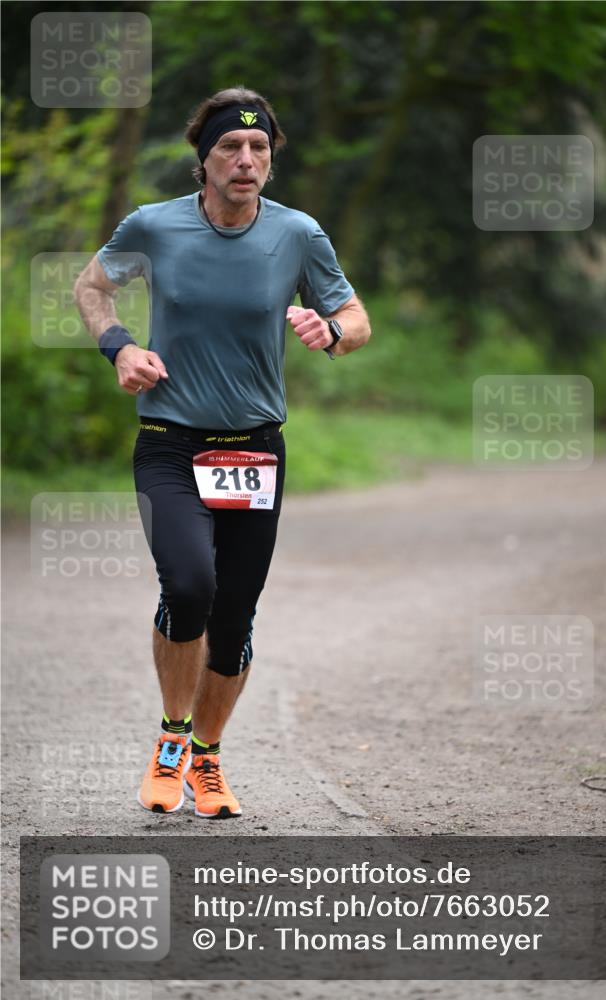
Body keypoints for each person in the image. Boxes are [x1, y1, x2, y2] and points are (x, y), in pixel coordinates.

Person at [74, 86, 371, 819]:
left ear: (270, 159)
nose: (245, 161)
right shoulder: (155, 225)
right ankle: (172, 738)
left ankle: (207, 758)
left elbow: (355, 317)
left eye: (258, 149)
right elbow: (91, 287)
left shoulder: (298, 234)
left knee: (234, 616)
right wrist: (120, 348)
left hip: (255, 451)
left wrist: (330, 334)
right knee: (189, 583)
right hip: (169, 441)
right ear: (203, 162)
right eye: (229, 150)